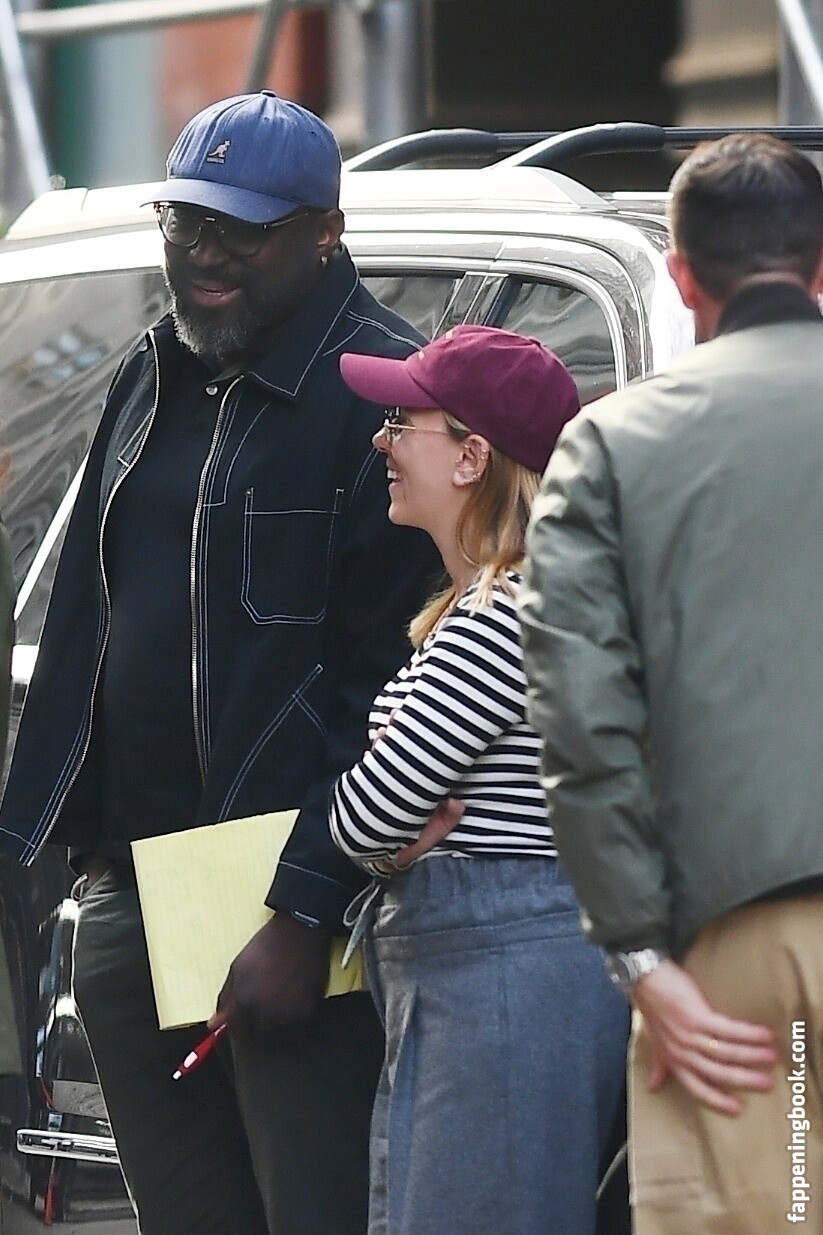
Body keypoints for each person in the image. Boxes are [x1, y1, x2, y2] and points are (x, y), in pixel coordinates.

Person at [0, 91, 440, 1235]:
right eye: (187, 220)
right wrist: (64, 856)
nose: (205, 251)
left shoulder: (385, 395)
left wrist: (302, 909)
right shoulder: (150, 368)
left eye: (243, 229)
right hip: (133, 893)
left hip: (292, 915)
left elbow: (393, 692)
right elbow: (88, 616)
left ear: (325, 232)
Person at [519, 132, 823, 1235]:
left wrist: (639, 954)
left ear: (681, 274)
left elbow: (582, 722)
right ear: (822, 264)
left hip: (727, 944)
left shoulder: (609, 445)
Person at [329, 325, 630, 1235]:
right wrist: (389, 841)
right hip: (494, 966)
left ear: (471, 457)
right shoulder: (504, 605)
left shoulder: (503, 614)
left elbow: (365, 814)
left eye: (401, 421)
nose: (380, 439)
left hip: (499, 975)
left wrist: (381, 841)